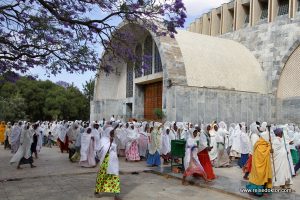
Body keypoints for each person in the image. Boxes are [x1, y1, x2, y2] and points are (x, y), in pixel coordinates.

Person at [95, 127, 121, 200]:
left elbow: (116, 149)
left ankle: (116, 195)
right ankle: (97, 191)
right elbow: (99, 151)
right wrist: (110, 144)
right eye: (111, 133)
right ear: (107, 132)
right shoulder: (103, 140)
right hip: (105, 162)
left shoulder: (114, 140)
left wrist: (112, 143)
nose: (113, 134)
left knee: (115, 176)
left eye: (113, 133)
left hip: (113, 161)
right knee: (102, 177)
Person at [246, 128, 272, 197]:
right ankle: (258, 192)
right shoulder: (265, 146)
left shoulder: (258, 144)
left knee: (256, 178)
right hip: (261, 167)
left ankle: (253, 190)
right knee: (260, 178)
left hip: (256, 166)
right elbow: (263, 155)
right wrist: (269, 147)